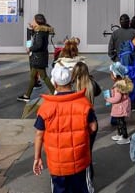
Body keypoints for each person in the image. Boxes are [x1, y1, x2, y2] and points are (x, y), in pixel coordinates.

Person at [32, 63, 97, 193]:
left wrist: (37, 158)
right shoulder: (83, 103)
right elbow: (93, 127)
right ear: (71, 81)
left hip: (57, 164)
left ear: (55, 84)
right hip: (80, 160)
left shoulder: (46, 107)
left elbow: (39, 135)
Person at [18, 14, 55, 102]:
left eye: (33, 20)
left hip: (38, 57)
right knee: (33, 76)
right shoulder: (41, 30)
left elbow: (38, 45)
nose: (32, 21)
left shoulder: (40, 32)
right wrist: (32, 28)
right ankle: (27, 95)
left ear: (37, 22)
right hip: (39, 57)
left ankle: (55, 93)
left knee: (44, 76)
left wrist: (29, 49)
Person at [105, 61, 133, 145]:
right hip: (121, 106)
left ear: (115, 75)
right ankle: (120, 134)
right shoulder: (122, 83)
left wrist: (108, 99)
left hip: (120, 107)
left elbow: (117, 98)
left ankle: (125, 137)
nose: (110, 76)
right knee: (119, 121)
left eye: (111, 74)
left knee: (121, 122)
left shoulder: (118, 86)